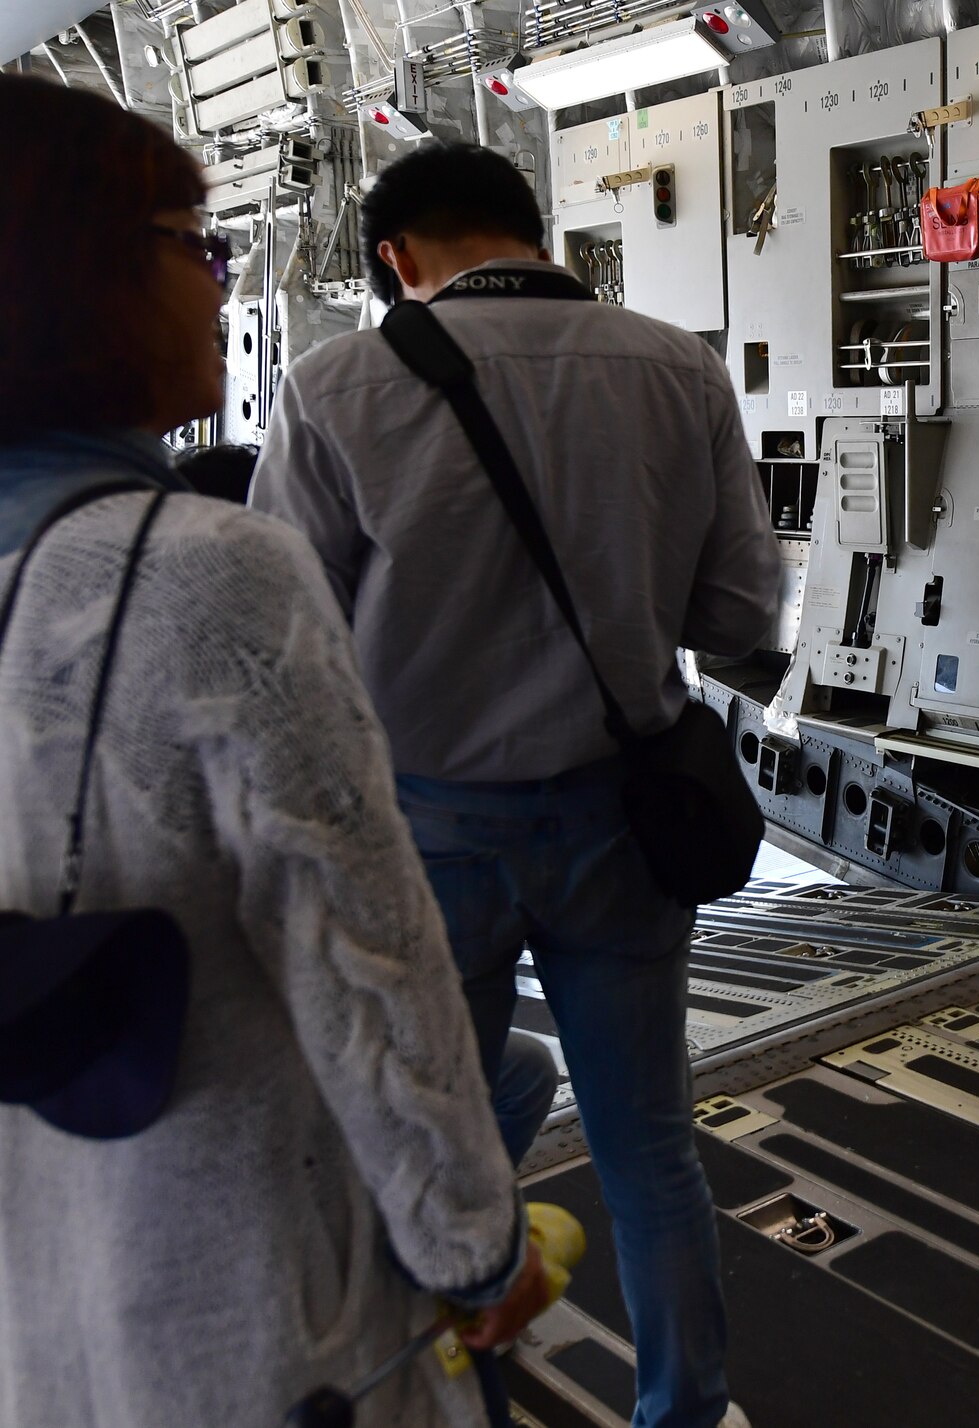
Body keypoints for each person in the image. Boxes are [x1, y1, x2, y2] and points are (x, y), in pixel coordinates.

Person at [0, 77, 543, 1428]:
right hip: (255, 1317)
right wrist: (473, 1245)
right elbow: (365, 964)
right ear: (84, 277)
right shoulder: (204, 573)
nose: (216, 276)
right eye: (197, 240)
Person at [251, 142, 778, 1428]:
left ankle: (456, 1399)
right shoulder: (678, 367)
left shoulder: (333, 389)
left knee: (439, 1154)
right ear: (533, 230)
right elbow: (739, 620)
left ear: (395, 258)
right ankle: (684, 1411)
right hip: (624, 824)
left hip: (426, 837)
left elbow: (279, 646)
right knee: (650, 1151)